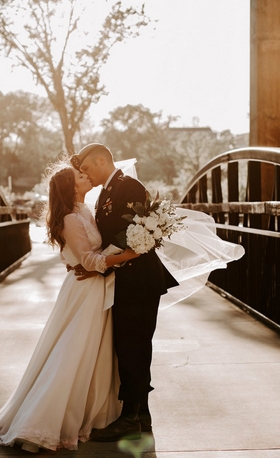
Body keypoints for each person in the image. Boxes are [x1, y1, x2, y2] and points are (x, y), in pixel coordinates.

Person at [0, 164, 140, 452]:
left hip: (94, 288)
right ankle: (47, 418)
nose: (86, 177)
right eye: (80, 176)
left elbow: (88, 254)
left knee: (92, 352)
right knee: (74, 351)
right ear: (71, 187)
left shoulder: (83, 210)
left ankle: (90, 408)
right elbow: (89, 262)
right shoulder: (70, 218)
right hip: (84, 292)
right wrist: (128, 254)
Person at [70, 143, 179, 442]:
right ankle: (140, 413)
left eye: (86, 169)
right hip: (125, 281)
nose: (84, 175)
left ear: (102, 160)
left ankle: (131, 417)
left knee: (134, 347)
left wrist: (98, 264)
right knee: (129, 346)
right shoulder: (106, 191)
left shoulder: (128, 186)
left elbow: (129, 237)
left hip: (140, 281)